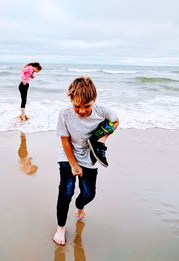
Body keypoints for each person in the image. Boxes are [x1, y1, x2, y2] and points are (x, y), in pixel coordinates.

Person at [53, 76, 119, 245]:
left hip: (91, 153)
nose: (81, 111)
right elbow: (64, 140)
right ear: (71, 101)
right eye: (77, 106)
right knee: (66, 191)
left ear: (94, 100)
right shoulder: (65, 114)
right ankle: (60, 228)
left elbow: (115, 121)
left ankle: (80, 206)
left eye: (86, 106)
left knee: (89, 194)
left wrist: (101, 141)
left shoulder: (103, 111)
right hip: (68, 153)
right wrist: (73, 164)